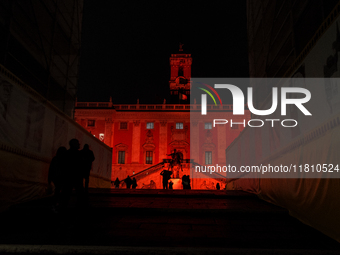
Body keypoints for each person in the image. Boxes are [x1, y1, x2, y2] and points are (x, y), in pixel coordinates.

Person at [60, 138, 83, 208]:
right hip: (76, 176)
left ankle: (63, 207)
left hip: (68, 176)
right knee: (79, 193)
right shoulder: (79, 154)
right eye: (78, 143)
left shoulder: (66, 153)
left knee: (66, 193)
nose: (79, 144)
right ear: (74, 145)